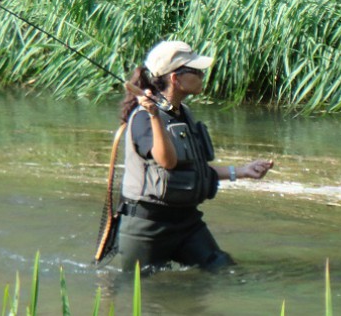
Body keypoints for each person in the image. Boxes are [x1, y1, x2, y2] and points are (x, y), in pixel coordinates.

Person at [117, 40, 274, 274]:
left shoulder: (183, 113)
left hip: (187, 222)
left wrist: (241, 171)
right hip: (147, 226)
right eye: (196, 71)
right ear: (175, 79)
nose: (202, 75)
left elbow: (192, 169)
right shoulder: (143, 118)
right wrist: (153, 116)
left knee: (225, 271)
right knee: (143, 293)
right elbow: (167, 162)